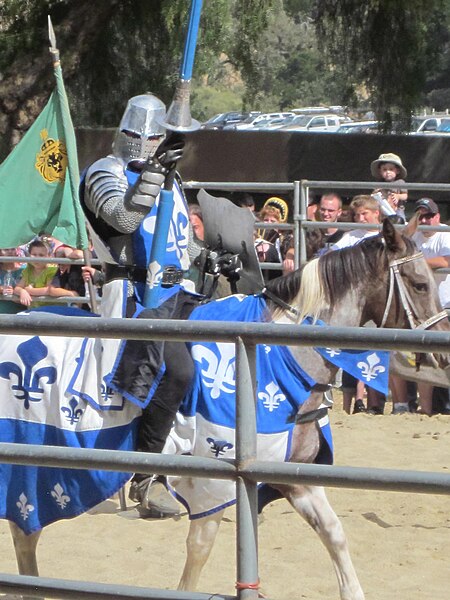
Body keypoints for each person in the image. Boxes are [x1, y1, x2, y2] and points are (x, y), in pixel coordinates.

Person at [81, 92, 199, 518]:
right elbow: (124, 220)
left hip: (173, 294)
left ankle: (177, 464)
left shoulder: (173, 180)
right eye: (140, 134)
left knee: (201, 366)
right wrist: (153, 176)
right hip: (131, 294)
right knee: (169, 372)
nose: (146, 142)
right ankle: (144, 478)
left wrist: (208, 256)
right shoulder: (104, 172)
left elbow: (177, 239)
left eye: (155, 137)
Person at [390, 197, 450, 416]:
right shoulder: (415, 235)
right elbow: (400, 239)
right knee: (413, 354)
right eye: (420, 215)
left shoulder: (445, 233)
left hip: (442, 306)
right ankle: (405, 405)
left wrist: (413, 262)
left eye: (428, 215)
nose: (424, 220)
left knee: (437, 357)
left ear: (438, 216)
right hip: (419, 307)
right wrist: (415, 221)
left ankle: (428, 408)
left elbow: (446, 261)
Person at [330, 195, 385, 414]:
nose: (361, 218)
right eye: (357, 214)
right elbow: (332, 255)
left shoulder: (383, 238)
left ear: (376, 214)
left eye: (365, 214)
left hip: (375, 301)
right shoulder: (350, 236)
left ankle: (371, 402)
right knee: (351, 350)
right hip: (352, 302)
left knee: (372, 351)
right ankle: (349, 403)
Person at [13, 239, 58, 308]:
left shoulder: (51, 270)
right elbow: (17, 288)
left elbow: (48, 290)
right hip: (33, 310)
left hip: (50, 309)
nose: (37, 258)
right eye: (34, 254)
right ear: (29, 255)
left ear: (49, 257)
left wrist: (30, 291)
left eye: (41, 255)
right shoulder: (28, 269)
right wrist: (22, 291)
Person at [370, 152, 408, 221]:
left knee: (401, 222)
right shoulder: (379, 183)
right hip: (382, 210)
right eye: (384, 170)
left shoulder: (400, 182)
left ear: (398, 171)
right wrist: (376, 193)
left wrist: (398, 196)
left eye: (391, 169)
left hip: (397, 210)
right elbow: (373, 195)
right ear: (380, 172)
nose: (388, 172)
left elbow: (405, 196)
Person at [0, 247, 24, 314]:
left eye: (13, 249)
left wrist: (15, 293)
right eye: (6, 249)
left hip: (20, 314)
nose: (10, 252)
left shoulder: (25, 270)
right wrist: (1, 289)